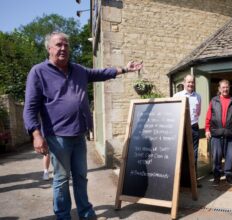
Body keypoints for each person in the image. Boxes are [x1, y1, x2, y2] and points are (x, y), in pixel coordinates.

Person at [23, 32, 143, 219]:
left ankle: (85, 212)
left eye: (66, 45)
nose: (63, 48)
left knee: (81, 177)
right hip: (57, 136)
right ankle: (63, 215)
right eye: (58, 45)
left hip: (79, 134)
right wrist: (36, 134)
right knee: (62, 179)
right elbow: (30, 107)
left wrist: (125, 69)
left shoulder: (78, 70)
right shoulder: (38, 72)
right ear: (49, 48)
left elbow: (101, 73)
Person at [205, 80, 232, 187]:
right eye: (223, 87)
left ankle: (229, 176)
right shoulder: (214, 101)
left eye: (227, 87)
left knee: (229, 157)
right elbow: (208, 116)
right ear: (219, 89)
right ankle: (216, 177)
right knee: (216, 157)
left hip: (230, 133)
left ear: (229, 88)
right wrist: (207, 129)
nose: (225, 89)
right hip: (216, 134)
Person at [173, 74, 202, 187]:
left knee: (193, 155)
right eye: (188, 82)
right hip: (181, 128)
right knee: (180, 154)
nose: (190, 84)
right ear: (184, 82)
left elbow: (198, 113)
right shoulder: (177, 95)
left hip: (194, 127)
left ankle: (194, 180)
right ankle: (180, 182)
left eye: (192, 82)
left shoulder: (198, 96)